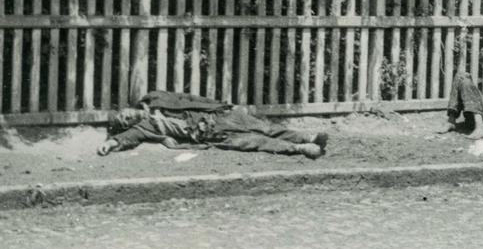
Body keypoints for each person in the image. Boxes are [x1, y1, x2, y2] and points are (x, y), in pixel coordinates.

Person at [97, 90, 328, 159]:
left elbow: (190, 98)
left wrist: (221, 105)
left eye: (125, 114)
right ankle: (300, 149)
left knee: (266, 127)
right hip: (210, 135)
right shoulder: (144, 128)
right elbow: (127, 139)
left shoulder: (155, 97)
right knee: (255, 141)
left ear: (127, 107)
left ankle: (307, 137)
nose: (128, 118)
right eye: (124, 122)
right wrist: (111, 142)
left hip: (219, 115)